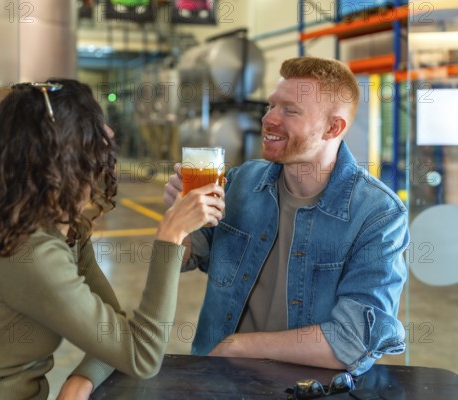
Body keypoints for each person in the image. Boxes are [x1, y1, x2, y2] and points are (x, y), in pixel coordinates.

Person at [0, 79, 225, 399]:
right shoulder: (30, 252)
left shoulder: (55, 229)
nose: (109, 140)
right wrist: (171, 236)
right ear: (69, 157)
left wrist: (82, 378)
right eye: (96, 133)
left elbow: (116, 333)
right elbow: (142, 354)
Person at [163, 56, 409, 376]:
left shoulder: (377, 214)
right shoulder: (242, 182)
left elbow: (354, 337)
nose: (269, 119)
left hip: (307, 387)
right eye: (271, 105)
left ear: (333, 127)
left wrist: (239, 346)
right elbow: (186, 258)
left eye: (290, 110)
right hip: (218, 381)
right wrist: (176, 222)